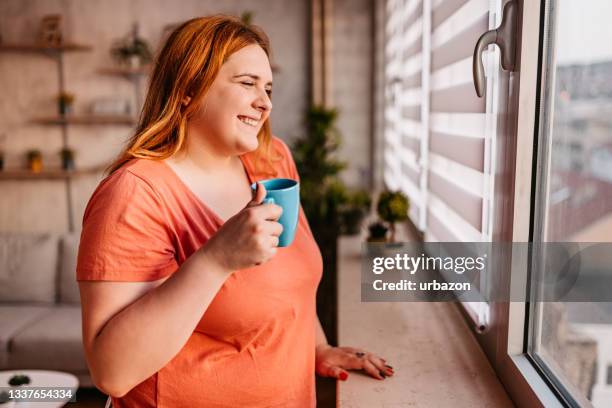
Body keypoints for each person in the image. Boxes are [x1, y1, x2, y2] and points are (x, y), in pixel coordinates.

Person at [77, 15, 394, 407]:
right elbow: (112, 373)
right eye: (247, 84)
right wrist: (214, 260)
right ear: (188, 88)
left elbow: (290, 283)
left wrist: (318, 346)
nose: (265, 102)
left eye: (268, 88)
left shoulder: (271, 160)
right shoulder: (134, 194)